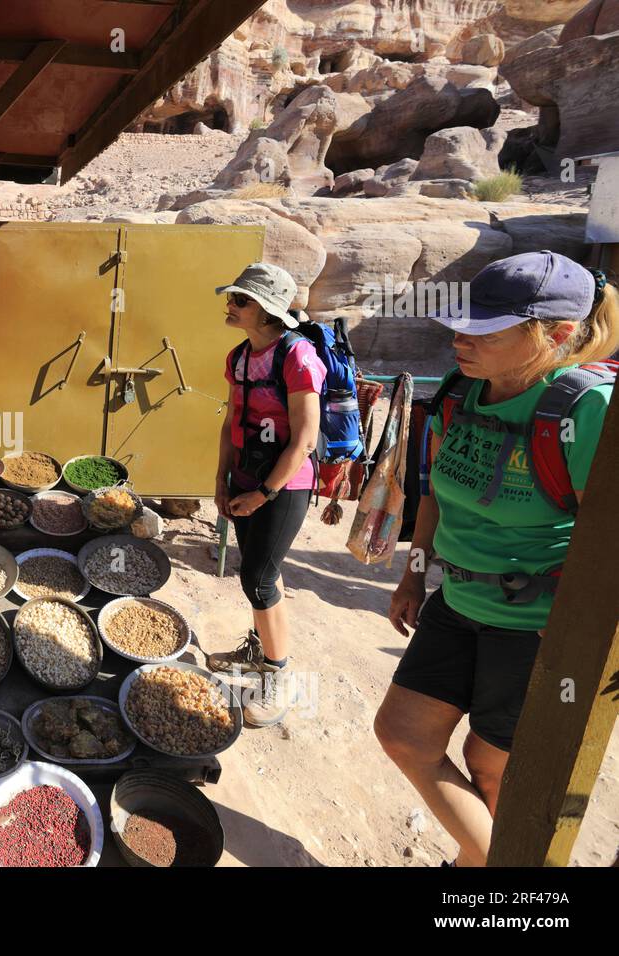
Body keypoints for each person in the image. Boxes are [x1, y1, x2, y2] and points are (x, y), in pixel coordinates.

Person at [373, 251, 617, 867]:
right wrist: (415, 573)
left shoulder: (589, 412)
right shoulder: (464, 390)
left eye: (486, 328)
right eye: (463, 322)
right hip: (456, 602)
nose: (461, 339)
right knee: (403, 736)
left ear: (557, 333)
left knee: (492, 769)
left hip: (535, 627)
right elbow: (436, 494)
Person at [206, 263, 325, 726]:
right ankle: (259, 651)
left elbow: (305, 439)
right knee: (261, 575)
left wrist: (265, 494)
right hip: (245, 477)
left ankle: (277, 675)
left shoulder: (297, 357)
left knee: (258, 576)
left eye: (241, 300)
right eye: (231, 297)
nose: (230, 306)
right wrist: (221, 480)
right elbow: (229, 421)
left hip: (284, 485)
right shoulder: (238, 357)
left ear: (269, 311)